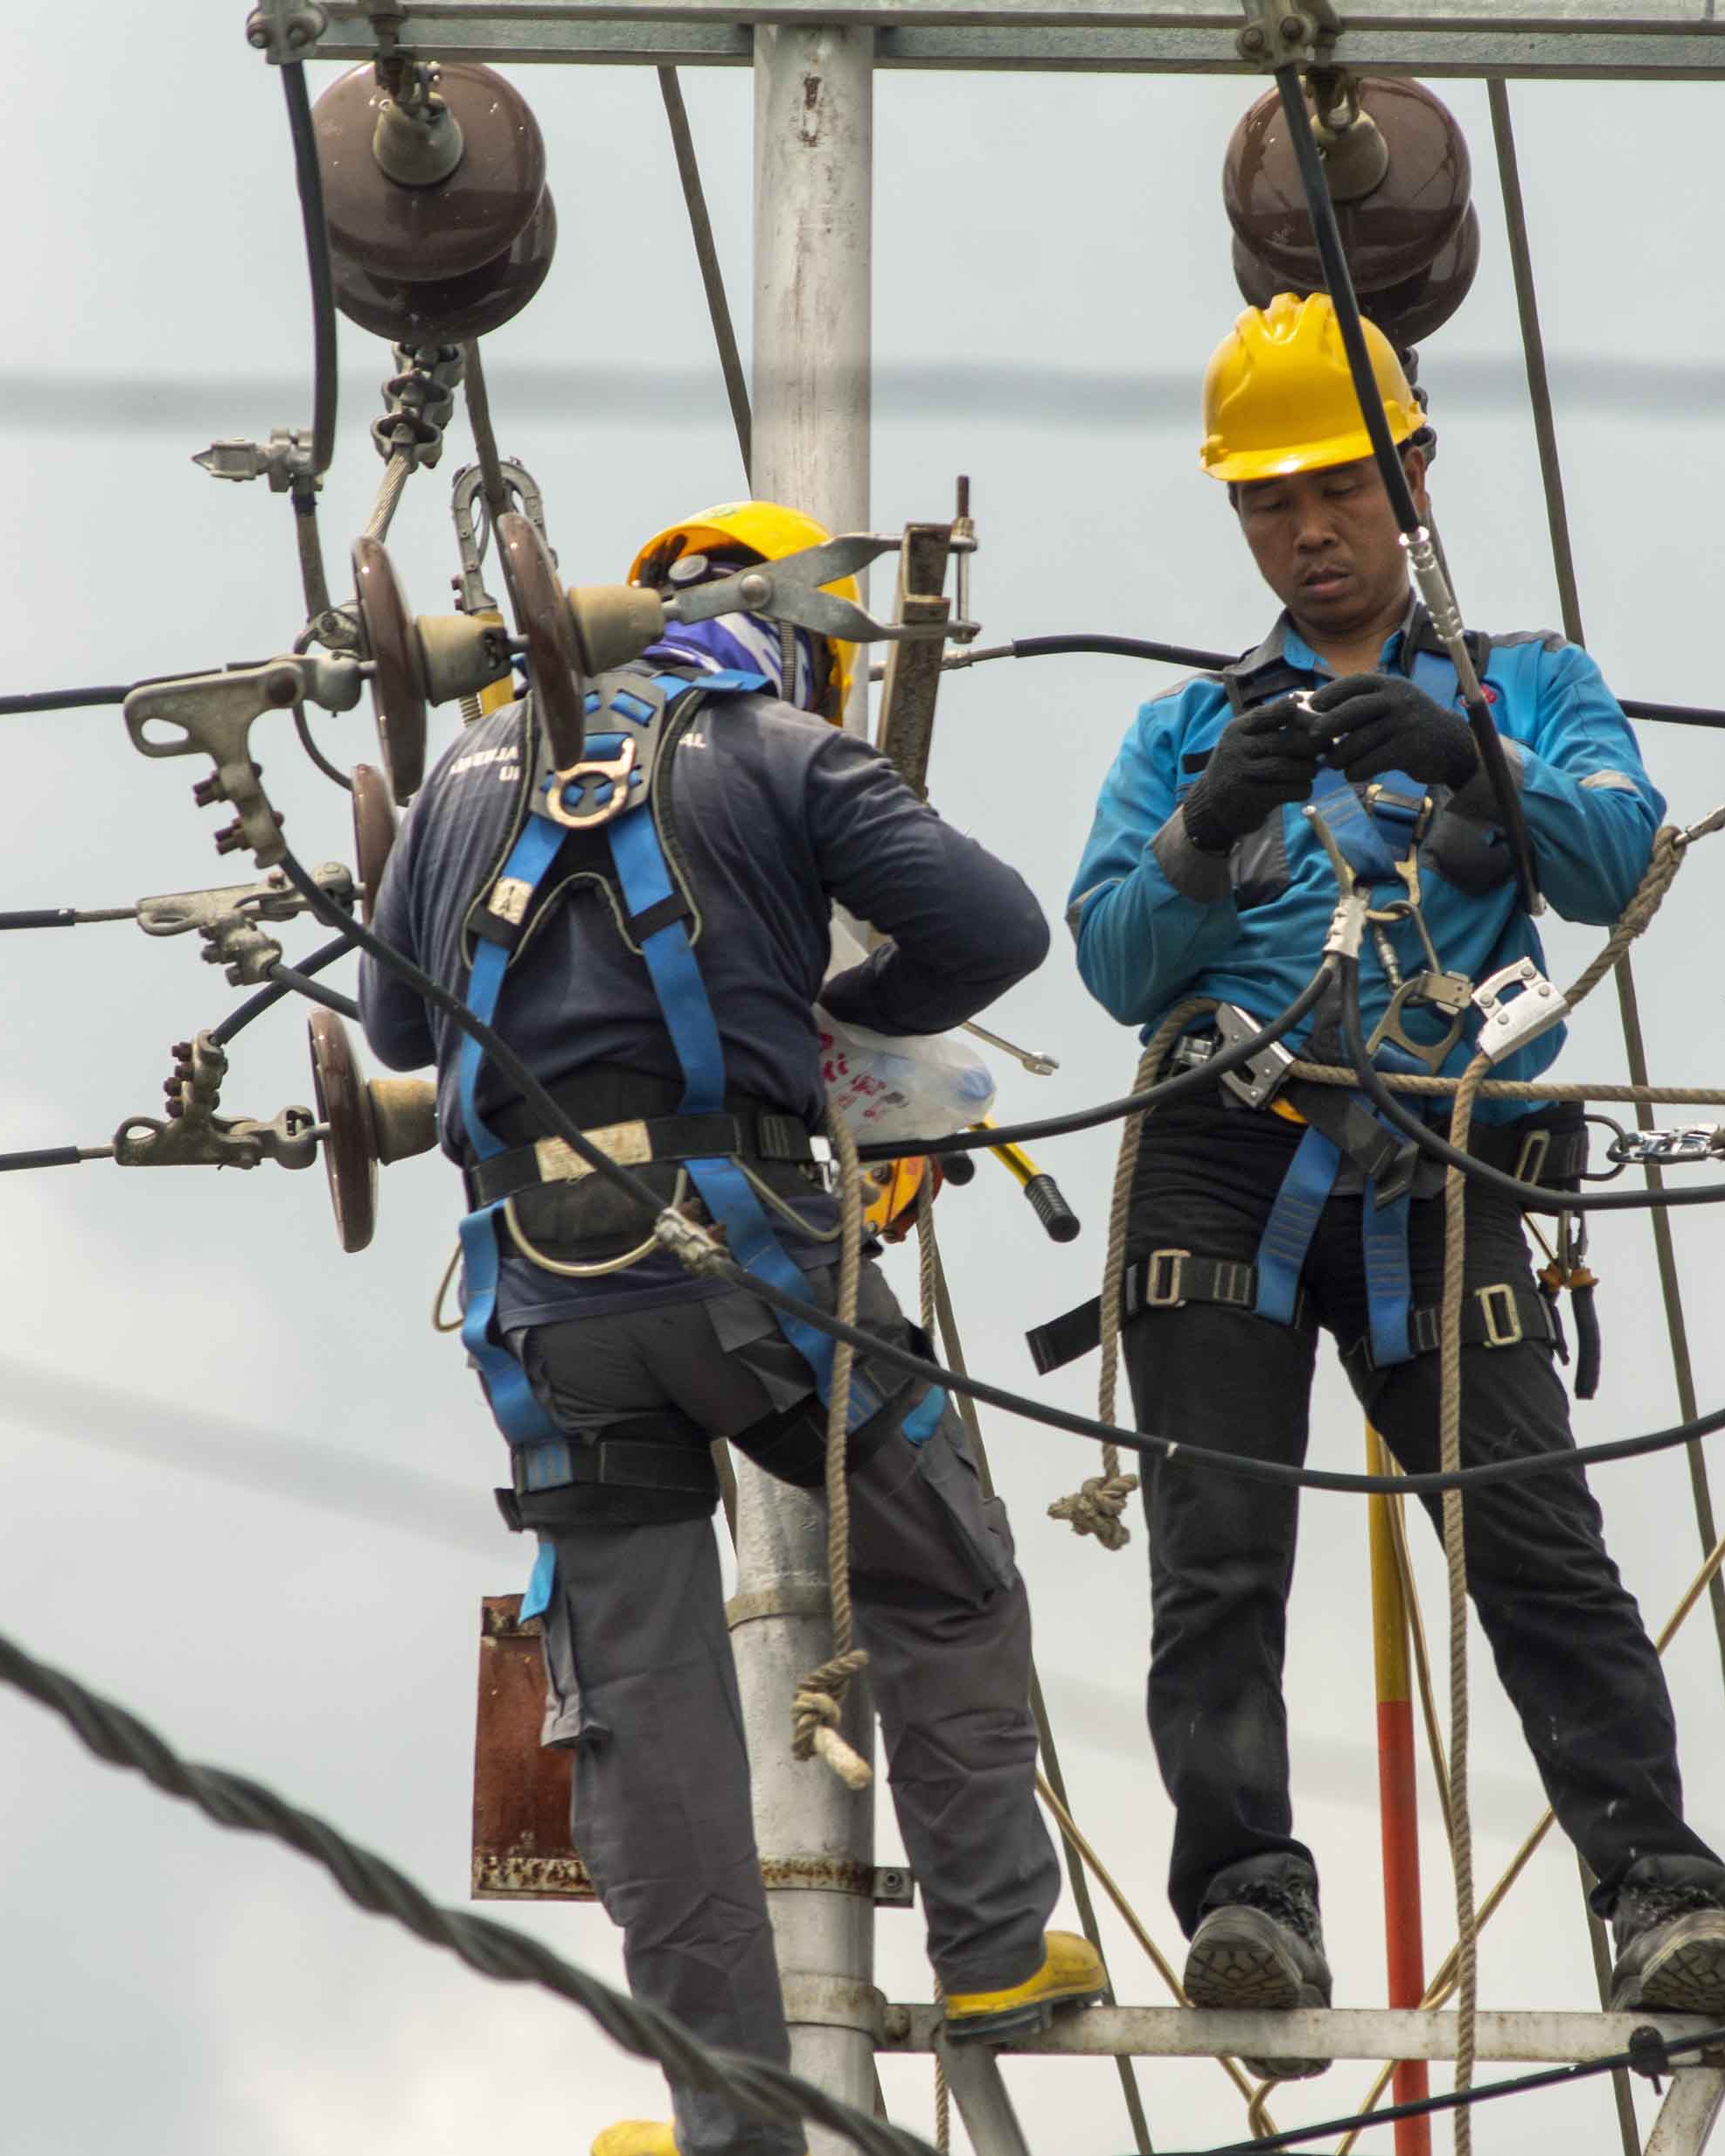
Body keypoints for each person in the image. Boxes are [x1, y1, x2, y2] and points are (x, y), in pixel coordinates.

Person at [1060, 296, 1725, 2074]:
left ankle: (1656, 1890)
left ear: (1412, 477)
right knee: (1216, 1555)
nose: (1307, 528)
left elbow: (1618, 856)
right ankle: (1245, 1897)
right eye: (1268, 500)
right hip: (1224, 1158)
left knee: (1531, 1540)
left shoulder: (1524, 681)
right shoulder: (1183, 728)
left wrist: (1470, 764)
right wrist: (1207, 830)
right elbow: (1117, 962)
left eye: (1340, 488)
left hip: (1440, 1163)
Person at [363, 500, 1102, 2156]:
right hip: (744, 1257)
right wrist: (817, 1003)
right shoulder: (779, 748)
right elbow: (994, 933)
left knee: (643, 1704)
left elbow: (401, 1021)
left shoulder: (457, 781)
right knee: (937, 1546)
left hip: (541, 1300)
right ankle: (988, 1946)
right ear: (800, 640)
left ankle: (735, 2118)